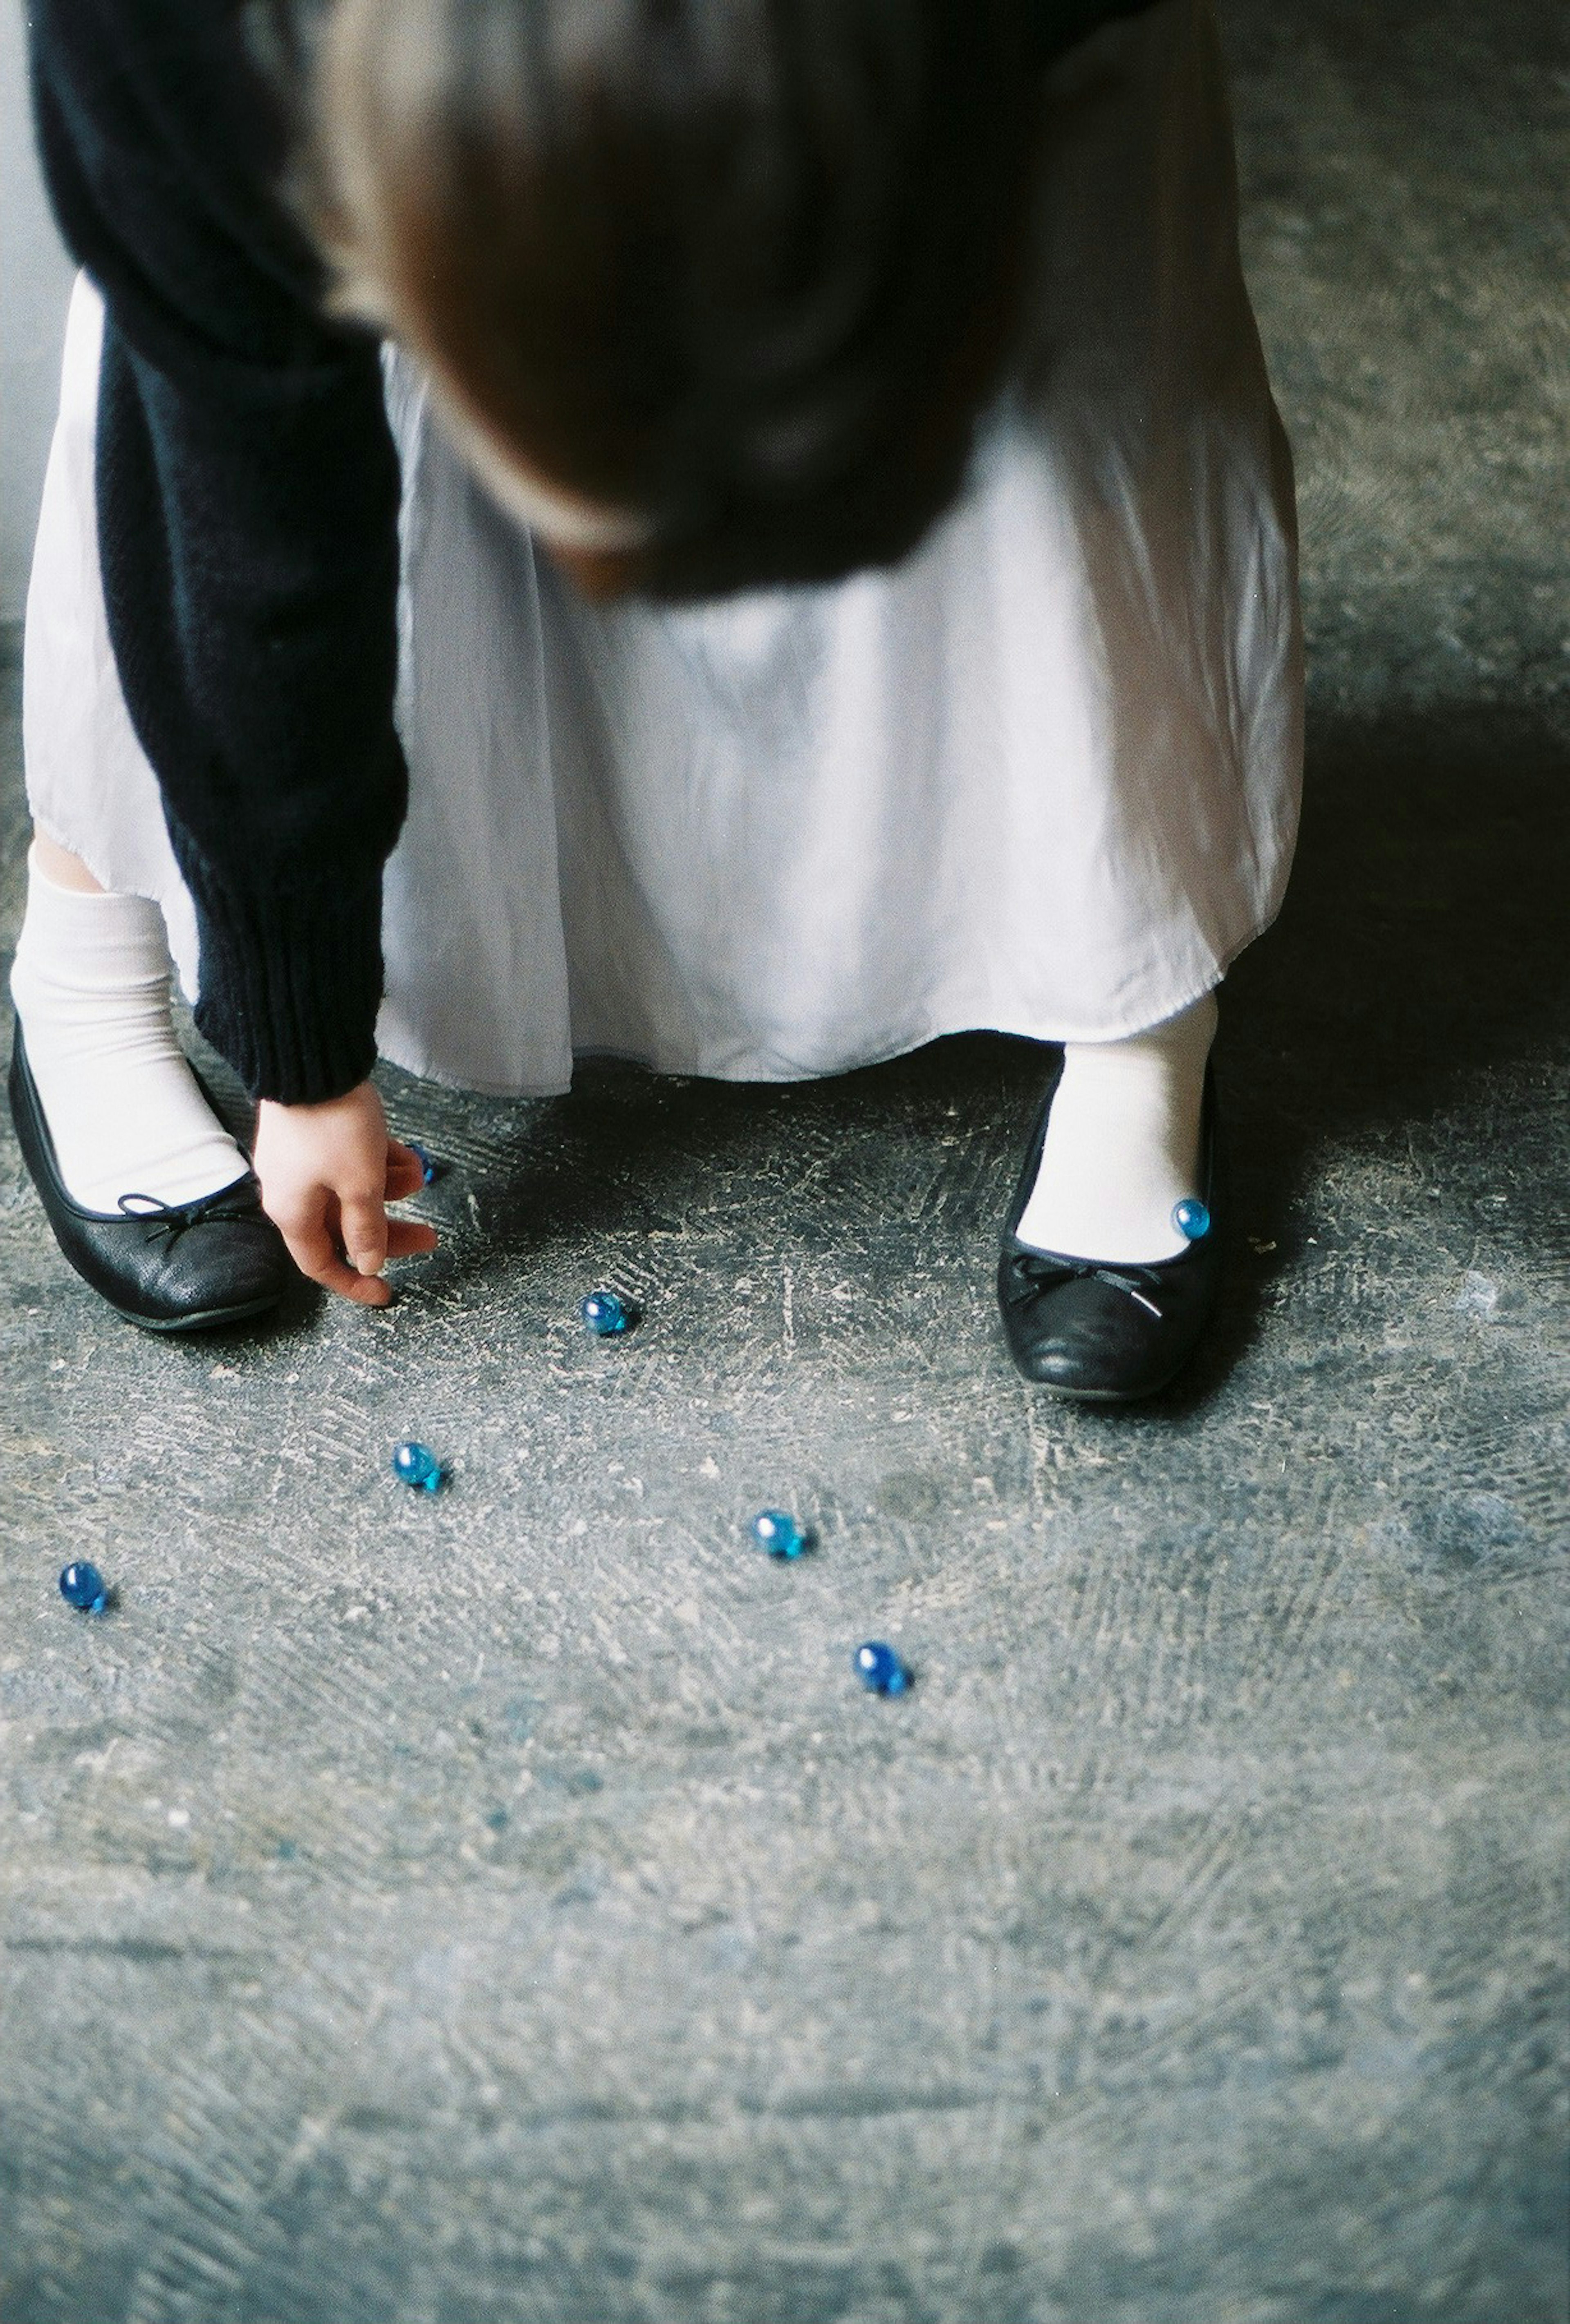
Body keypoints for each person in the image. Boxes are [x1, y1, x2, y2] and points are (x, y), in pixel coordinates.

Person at [11, 0, 1301, 1396]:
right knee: (208, 370)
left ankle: (1136, 991)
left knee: (1092, 329)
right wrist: (298, 1045)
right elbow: (251, 517)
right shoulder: (192, 47)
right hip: (274, 85)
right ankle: (88, 944)